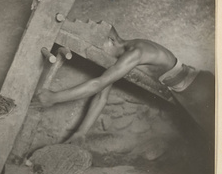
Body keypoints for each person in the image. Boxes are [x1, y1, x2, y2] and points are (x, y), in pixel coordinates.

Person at [37, 25, 215, 143]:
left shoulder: (135, 53)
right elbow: (101, 96)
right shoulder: (124, 55)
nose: (97, 51)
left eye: (99, 46)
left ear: (112, 40)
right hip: (190, 88)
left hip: (198, 89)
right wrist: (81, 132)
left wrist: (54, 97)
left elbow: (99, 83)